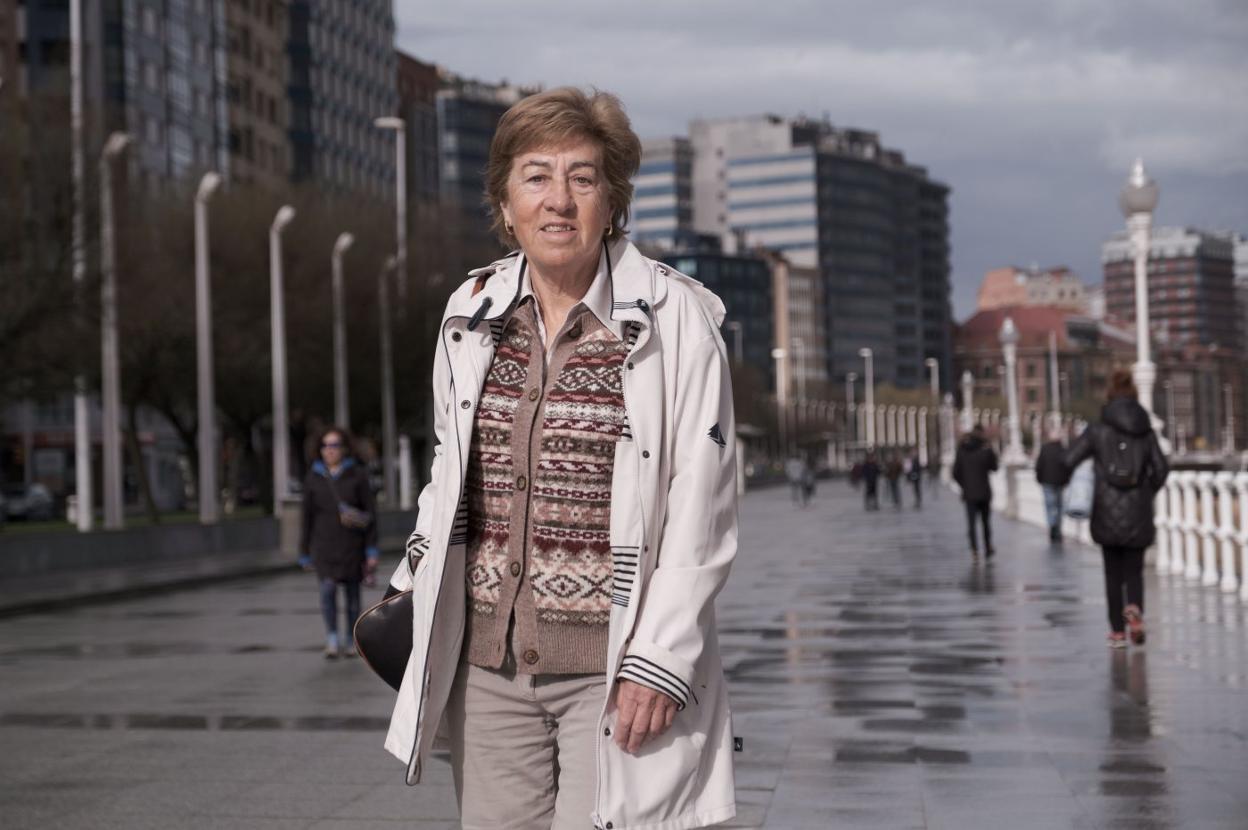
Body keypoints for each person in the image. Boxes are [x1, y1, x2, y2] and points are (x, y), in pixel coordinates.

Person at [381, 88, 738, 829]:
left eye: (582, 178)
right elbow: (450, 472)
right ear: (505, 203)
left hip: (613, 668)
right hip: (486, 670)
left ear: (612, 203)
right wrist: (414, 583)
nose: (559, 201)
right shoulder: (470, 313)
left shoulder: (676, 320)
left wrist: (661, 660)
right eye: (536, 177)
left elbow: (701, 505)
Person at [1064, 370, 1168, 648]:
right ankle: (1134, 607)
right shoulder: (1145, 431)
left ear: (1109, 395)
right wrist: (1146, 492)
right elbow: (1161, 469)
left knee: (1112, 572)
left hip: (1106, 510)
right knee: (1134, 570)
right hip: (1138, 510)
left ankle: (1118, 632)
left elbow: (1069, 459)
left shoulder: (1097, 430)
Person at [299, 427, 378, 659]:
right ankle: (332, 638)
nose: (330, 450)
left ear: (344, 448)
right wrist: (304, 552)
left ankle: (351, 639)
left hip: (352, 546)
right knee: (327, 591)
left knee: (353, 596)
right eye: (326, 445)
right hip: (323, 546)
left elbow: (371, 514)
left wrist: (372, 549)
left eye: (334, 445)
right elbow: (306, 518)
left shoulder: (358, 475)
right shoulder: (313, 477)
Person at [953, 424, 998, 561]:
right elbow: (994, 467)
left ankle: (974, 550)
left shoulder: (962, 449)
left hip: (969, 493)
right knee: (985, 522)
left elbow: (955, 473)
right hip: (984, 491)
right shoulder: (985, 448)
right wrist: (991, 451)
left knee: (971, 523)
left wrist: (964, 485)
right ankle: (988, 546)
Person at [1034, 428, 1071, 542]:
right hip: (1060, 482)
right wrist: (1066, 480)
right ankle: (1057, 529)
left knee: (1050, 506)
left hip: (1047, 481)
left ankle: (1052, 526)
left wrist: (1039, 479)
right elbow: (1068, 466)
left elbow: (1039, 466)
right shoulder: (1063, 449)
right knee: (1059, 506)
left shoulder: (1045, 449)